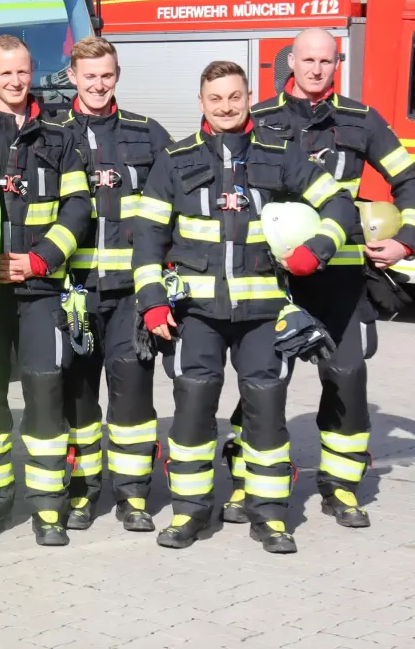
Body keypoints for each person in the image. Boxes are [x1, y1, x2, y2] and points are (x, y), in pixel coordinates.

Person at [134, 60, 355, 554]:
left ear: (248, 96)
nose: (226, 107)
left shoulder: (280, 152)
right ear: (201, 103)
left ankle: (270, 515)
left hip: (263, 313)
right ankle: (189, 512)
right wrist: (151, 301)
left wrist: (314, 250)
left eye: (234, 97)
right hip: (197, 314)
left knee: (267, 413)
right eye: (216, 99)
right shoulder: (175, 158)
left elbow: (339, 204)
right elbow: (147, 235)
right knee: (192, 411)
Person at [239, 28, 415, 528]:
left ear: (337, 63)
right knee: (265, 381)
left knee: (347, 379)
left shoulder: (361, 120)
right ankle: (248, 480)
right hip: (273, 279)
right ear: (290, 61)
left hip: (340, 280)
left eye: (326, 61)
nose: (316, 70)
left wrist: (406, 240)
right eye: (308, 59)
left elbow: (410, 178)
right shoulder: (260, 120)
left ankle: (340, 487)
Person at [0, 35, 91, 546]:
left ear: (32, 73)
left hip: (41, 289)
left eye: (23, 72)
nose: (15, 81)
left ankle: (47, 507)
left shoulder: (61, 133)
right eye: (4, 73)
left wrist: (39, 260)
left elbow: (79, 207)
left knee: (43, 389)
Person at [48, 37, 172, 533]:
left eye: (107, 75)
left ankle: (134, 495)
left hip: (129, 294)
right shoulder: (52, 133)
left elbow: (175, 206)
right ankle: (83, 492)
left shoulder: (148, 134)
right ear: (72, 77)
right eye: (89, 76)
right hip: (73, 293)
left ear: (117, 74)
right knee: (77, 398)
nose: (98, 85)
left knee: (133, 397)